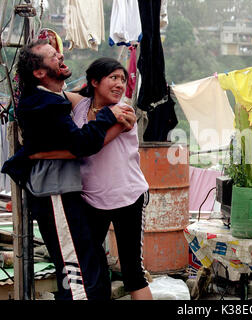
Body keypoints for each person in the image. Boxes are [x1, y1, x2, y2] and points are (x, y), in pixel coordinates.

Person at [1, 39, 136, 300]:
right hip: (55, 192)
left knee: (92, 263)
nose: (61, 56)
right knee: (77, 272)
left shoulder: (53, 97)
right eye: (53, 56)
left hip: (66, 191)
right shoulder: (43, 104)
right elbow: (81, 144)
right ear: (39, 72)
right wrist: (110, 118)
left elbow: (78, 137)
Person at [31, 58, 153, 300]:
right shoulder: (80, 104)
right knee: (92, 266)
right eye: (113, 78)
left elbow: (87, 147)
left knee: (133, 273)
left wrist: (39, 154)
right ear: (95, 82)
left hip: (127, 197)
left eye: (122, 79)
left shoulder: (124, 113)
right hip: (92, 200)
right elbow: (54, 94)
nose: (120, 84)